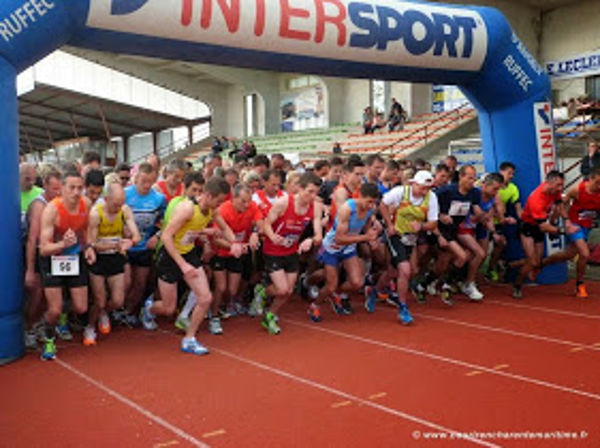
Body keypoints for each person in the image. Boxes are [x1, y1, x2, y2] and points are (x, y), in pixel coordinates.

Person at [140, 177, 238, 355]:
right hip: (170, 256)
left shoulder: (212, 209)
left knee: (205, 298)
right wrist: (182, 265)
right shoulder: (186, 209)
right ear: (207, 195)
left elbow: (224, 228)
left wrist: (235, 243)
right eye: (218, 201)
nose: (220, 205)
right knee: (169, 308)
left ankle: (189, 339)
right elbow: (166, 236)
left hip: (189, 253)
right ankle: (148, 308)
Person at [38, 171, 95, 360]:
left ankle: (63, 317)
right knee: (54, 308)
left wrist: (88, 247)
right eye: (72, 187)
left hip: (74, 256)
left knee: (81, 307)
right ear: (62, 189)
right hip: (53, 257)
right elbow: (43, 248)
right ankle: (48, 337)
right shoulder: (52, 210)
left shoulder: (85, 204)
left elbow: (85, 230)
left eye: (80, 187)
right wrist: (63, 244)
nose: (76, 192)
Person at [260, 172, 324, 334]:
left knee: (288, 291)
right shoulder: (283, 203)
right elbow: (267, 223)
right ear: (299, 188)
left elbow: (318, 234)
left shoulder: (315, 207)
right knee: (281, 290)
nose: (313, 196)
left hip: (291, 251)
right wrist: (273, 235)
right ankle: (262, 291)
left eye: (316, 192)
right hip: (273, 250)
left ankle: (270, 315)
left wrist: (311, 239)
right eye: (309, 191)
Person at [377, 171, 439, 323]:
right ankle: (403, 307)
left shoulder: (432, 198)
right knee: (405, 270)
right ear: (414, 184)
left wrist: (422, 226)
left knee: (394, 272)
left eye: (428, 187)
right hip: (396, 234)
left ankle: (376, 290)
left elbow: (433, 223)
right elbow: (382, 205)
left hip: (411, 238)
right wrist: (389, 224)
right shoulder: (400, 192)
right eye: (423, 187)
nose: (426, 191)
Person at [85, 182, 141, 346]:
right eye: (116, 204)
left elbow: (137, 236)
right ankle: (89, 326)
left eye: (121, 203)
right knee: (99, 300)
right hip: (98, 259)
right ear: (106, 199)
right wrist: (113, 245)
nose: (118, 207)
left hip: (116, 257)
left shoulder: (124, 210)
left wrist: (130, 242)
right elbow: (91, 244)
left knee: (117, 301)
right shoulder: (96, 213)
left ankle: (104, 313)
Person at [314, 183, 380, 321]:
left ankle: (336, 294)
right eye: (368, 201)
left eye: (373, 202)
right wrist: (365, 238)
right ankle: (315, 305)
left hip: (349, 247)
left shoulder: (371, 209)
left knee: (357, 283)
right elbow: (339, 239)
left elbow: (366, 228)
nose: (370, 205)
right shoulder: (347, 209)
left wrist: (372, 238)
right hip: (332, 248)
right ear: (360, 196)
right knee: (330, 285)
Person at [209, 184, 263, 334]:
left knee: (232, 290)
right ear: (234, 199)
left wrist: (255, 233)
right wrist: (232, 246)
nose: (247, 205)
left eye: (249, 201)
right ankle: (214, 317)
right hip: (221, 252)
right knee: (221, 287)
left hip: (237, 253)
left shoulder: (252, 207)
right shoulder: (223, 211)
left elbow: (260, 223)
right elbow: (216, 239)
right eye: (243, 201)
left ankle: (220, 307)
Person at [513, 171, 576, 298]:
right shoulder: (537, 199)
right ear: (549, 182)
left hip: (540, 228)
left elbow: (560, 206)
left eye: (561, 185)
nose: (560, 188)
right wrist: (561, 231)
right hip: (528, 227)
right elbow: (543, 226)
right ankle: (517, 285)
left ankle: (509, 265)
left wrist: (567, 220)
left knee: (537, 262)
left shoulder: (554, 191)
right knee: (531, 262)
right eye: (558, 185)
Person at [541, 166, 600, 298]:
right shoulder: (577, 190)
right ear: (590, 180)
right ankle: (579, 284)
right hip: (574, 225)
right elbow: (561, 203)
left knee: (568, 255)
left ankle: (541, 263)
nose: (599, 186)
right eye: (597, 182)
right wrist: (555, 220)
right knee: (584, 253)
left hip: (586, 227)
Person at [23, 165, 62, 349]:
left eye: (59, 188)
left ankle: (39, 325)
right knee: (37, 294)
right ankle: (29, 328)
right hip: (37, 252)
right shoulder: (39, 205)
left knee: (49, 296)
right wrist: (30, 270)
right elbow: (32, 239)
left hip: (53, 253)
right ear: (45, 185)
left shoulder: (59, 202)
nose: (58, 192)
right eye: (54, 188)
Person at [123, 163, 167, 324]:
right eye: (143, 181)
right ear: (136, 179)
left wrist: (157, 236)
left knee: (140, 283)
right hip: (125, 247)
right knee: (126, 283)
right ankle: (118, 310)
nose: (146, 185)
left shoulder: (159, 199)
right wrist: (122, 230)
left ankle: (130, 312)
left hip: (144, 246)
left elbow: (166, 222)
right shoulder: (125, 195)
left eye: (150, 181)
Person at [21, 163, 43, 241]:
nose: (31, 182)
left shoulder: (41, 193)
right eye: (27, 179)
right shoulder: (8, 195)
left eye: (34, 179)